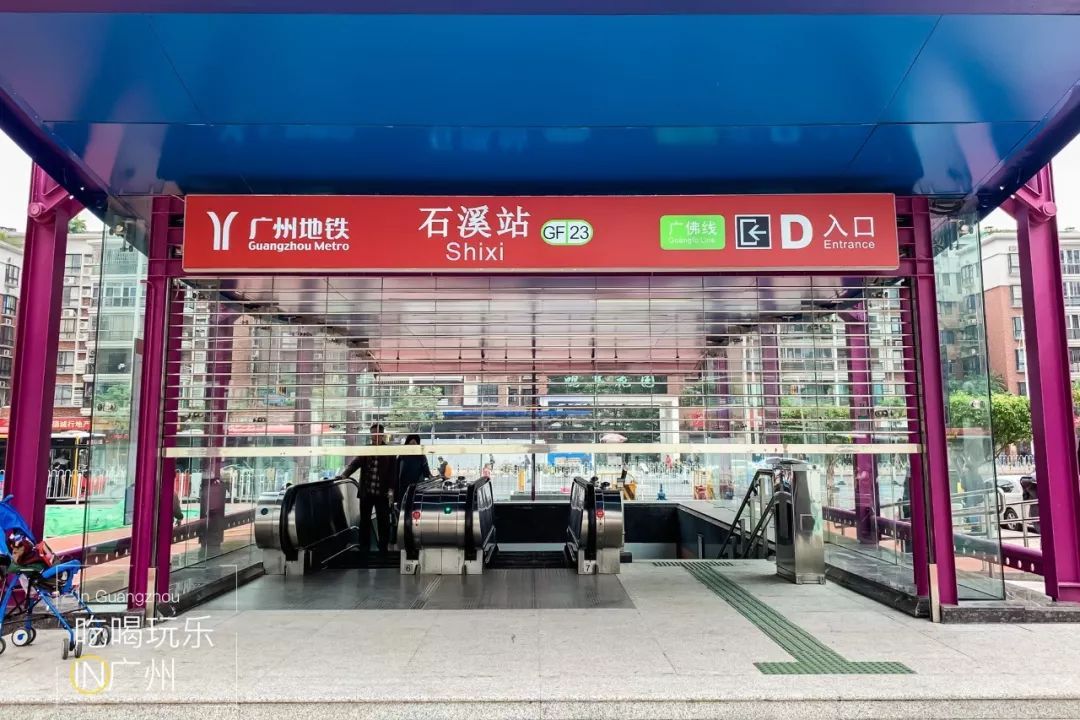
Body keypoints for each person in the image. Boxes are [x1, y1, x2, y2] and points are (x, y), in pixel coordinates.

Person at [337, 423, 397, 556]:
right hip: (367, 492)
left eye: (377, 434)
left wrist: (391, 491)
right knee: (364, 521)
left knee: (383, 521)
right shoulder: (367, 450)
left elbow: (393, 474)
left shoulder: (389, 452)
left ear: (382, 435)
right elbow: (355, 464)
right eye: (373, 434)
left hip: (382, 493)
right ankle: (364, 548)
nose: (375, 437)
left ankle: (383, 548)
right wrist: (344, 475)